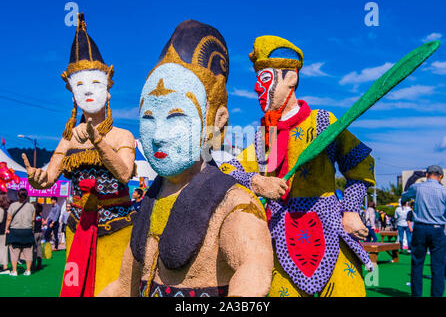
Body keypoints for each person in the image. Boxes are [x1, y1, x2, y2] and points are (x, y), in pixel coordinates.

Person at [100, 20, 273, 297]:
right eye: (148, 118)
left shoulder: (233, 202)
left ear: (217, 123)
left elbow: (254, 269)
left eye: (176, 117)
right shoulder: (150, 200)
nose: (157, 135)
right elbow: (124, 286)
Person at [219, 35, 375, 297]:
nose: (257, 88)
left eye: (265, 78)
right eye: (257, 80)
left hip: (329, 230)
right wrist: (257, 182)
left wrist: (351, 211)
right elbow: (228, 169)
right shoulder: (261, 136)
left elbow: (359, 163)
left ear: (290, 78)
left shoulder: (323, 122)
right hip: (280, 233)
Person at [23, 13, 137, 296]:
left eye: (95, 84)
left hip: (117, 227)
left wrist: (98, 141)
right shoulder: (69, 137)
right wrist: (38, 179)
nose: (88, 91)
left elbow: (123, 172)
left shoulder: (123, 136)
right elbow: (50, 175)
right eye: (80, 86)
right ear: (72, 94)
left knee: (112, 288)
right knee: (78, 288)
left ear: (108, 90)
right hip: (78, 227)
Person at [401, 165, 446, 297]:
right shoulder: (444, 191)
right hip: (438, 230)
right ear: (440, 176)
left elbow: (404, 197)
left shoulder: (417, 188)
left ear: (426, 175)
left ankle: (416, 295)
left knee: (417, 265)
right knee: (438, 267)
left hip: (420, 229)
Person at [5, 188, 35, 276]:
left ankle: (14, 271)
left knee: (14, 251)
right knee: (28, 250)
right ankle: (28, 270)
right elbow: (33, 220)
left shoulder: (13, 205)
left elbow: (8, 219)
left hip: (15, 230)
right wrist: (32, 229)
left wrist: (7, 228)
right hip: (27, 230)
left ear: (18, 195)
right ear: (27, 196)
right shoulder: (31, 206)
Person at [0, 192, 10, 274]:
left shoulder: (1, 209)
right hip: (5, 231)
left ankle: (4, 267)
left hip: (1, 231)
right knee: (4, 249)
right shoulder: (8, 208)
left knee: (2, 249)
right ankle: (5, 267)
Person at [32, 202, 43, 271]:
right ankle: (39, 263)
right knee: (39, 248)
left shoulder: (34, 216)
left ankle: (33, 265)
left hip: (35, 233)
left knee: (34, 250)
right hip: (40, 233)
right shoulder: (40, 216)